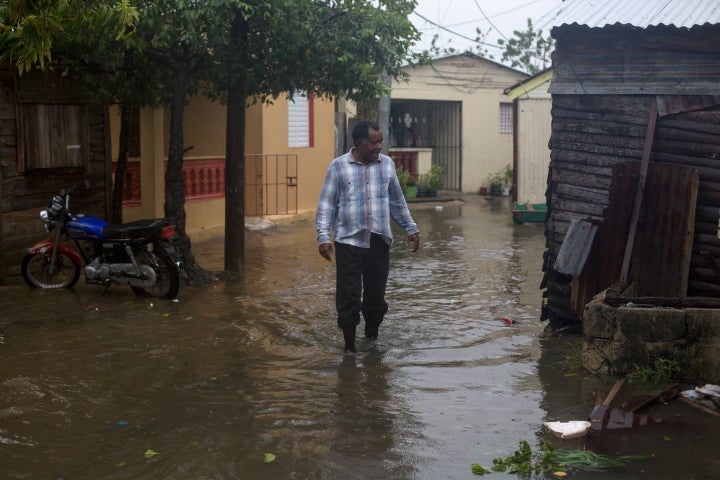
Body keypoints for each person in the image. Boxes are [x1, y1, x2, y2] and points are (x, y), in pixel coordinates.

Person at [316, 120, 420, 353]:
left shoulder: (387, 165)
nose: (379, 146)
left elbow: (397, 201)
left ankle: (372, 339)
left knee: (375, 301)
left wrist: (411, 228)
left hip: (378, 241)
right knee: (349, 299)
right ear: (359, 143)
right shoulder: (338, 167)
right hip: (348, 242)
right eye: (374, 142)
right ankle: (350, 349)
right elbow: (326, 206)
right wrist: (323, 237)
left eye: (381, 141)